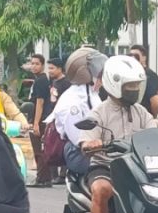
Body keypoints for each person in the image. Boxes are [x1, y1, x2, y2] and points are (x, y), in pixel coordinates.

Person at [79, 55, 158, 213]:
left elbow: (155, 130)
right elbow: (85, 138)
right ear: (115, 84)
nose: (134, 90)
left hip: (136, 166)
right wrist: (91, 143)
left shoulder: (140, 111)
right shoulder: (99, 112)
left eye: (136, 85)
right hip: (106, 165)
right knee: (101, 189)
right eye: (129, 85)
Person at [50, 47, 107, 176]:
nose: (101, 76)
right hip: (77, 151)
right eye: (97, 70)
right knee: (103, 174)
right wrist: (90, 143)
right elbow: (77, 136)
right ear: (84, 72)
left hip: (97, 148)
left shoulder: (92, 94)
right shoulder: (73, 100)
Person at [26, 53, 53, 186]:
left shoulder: (41, 80)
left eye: (37, 64)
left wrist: (36, 123)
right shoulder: (38, 80)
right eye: (32, 63)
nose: (34, 66)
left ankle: (43, 178)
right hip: (36, 119)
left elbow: (40, 102)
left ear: (42, 66)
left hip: (40, 120)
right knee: (39, 149)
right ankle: (43, 177)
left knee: (39, 149)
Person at [46, 57, 72, 184]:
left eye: (52, 68)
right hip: (52, 117)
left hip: (63, 118)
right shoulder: (53, 82)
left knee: (62, 145)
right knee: (51, 144)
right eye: (49, 68)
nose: (49, 71)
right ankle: (53, 174)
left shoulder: (66, 83)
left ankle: (62, 175)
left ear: (60, 69)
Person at [130, 44, 158, 118]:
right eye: (131, 55)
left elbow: (156, 101)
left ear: (144, 58)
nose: (133, 58)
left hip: (144, 118)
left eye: (136, 56)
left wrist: (153, 117)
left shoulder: (149, 74)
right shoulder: (131, 74)